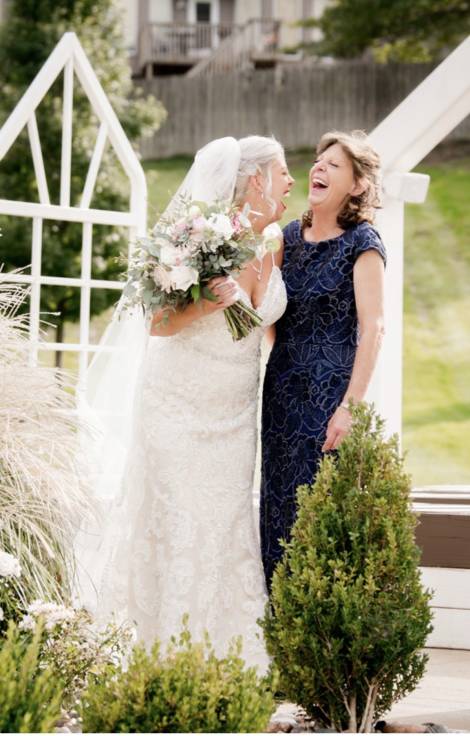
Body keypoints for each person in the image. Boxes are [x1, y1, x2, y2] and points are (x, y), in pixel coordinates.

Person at [76, 136, 294, 672]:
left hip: (234, 413)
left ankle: (230, 658)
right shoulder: (197, 236)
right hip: (178, 403)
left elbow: (261, 326)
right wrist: (206, 303)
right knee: (178, 520)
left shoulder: (273, 243)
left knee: (225, 520)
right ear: (257, 180)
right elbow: (157, 323)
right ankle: (165, 654)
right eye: (283, 171)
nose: (291, 181)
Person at [260, 130, 386, 590]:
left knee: (318, 515)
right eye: (319, 161)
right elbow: (269, 313)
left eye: (334, 165)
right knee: (277, 509)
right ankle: (277, 614)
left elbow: (374, 329)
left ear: (357, 185)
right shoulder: (287, 239)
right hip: (281, 395)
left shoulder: (363, 243)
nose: (319, 168)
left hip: (330, 400)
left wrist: (350, 407)